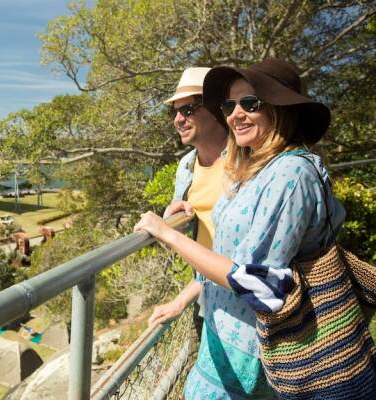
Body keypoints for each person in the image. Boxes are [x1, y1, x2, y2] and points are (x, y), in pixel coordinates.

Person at [134, 58, 346, 399]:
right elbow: (227, 251)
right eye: (229, 105)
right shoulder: (253, 170)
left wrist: (166, 232)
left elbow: (258, 283)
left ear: (281, 108)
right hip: (224, 332)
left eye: (250, 103)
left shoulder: (290, 175)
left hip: (255, 349)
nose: (235, 114)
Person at [147, 67, 228, 326]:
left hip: (242, 298)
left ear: (216, 110)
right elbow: (177, 238)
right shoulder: (186, 166)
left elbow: (240, 256)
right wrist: (173, 217)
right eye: (174, 111)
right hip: (206, 296)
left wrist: (182, 299)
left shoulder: (245, 162)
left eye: (188, 110)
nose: (178, 119)